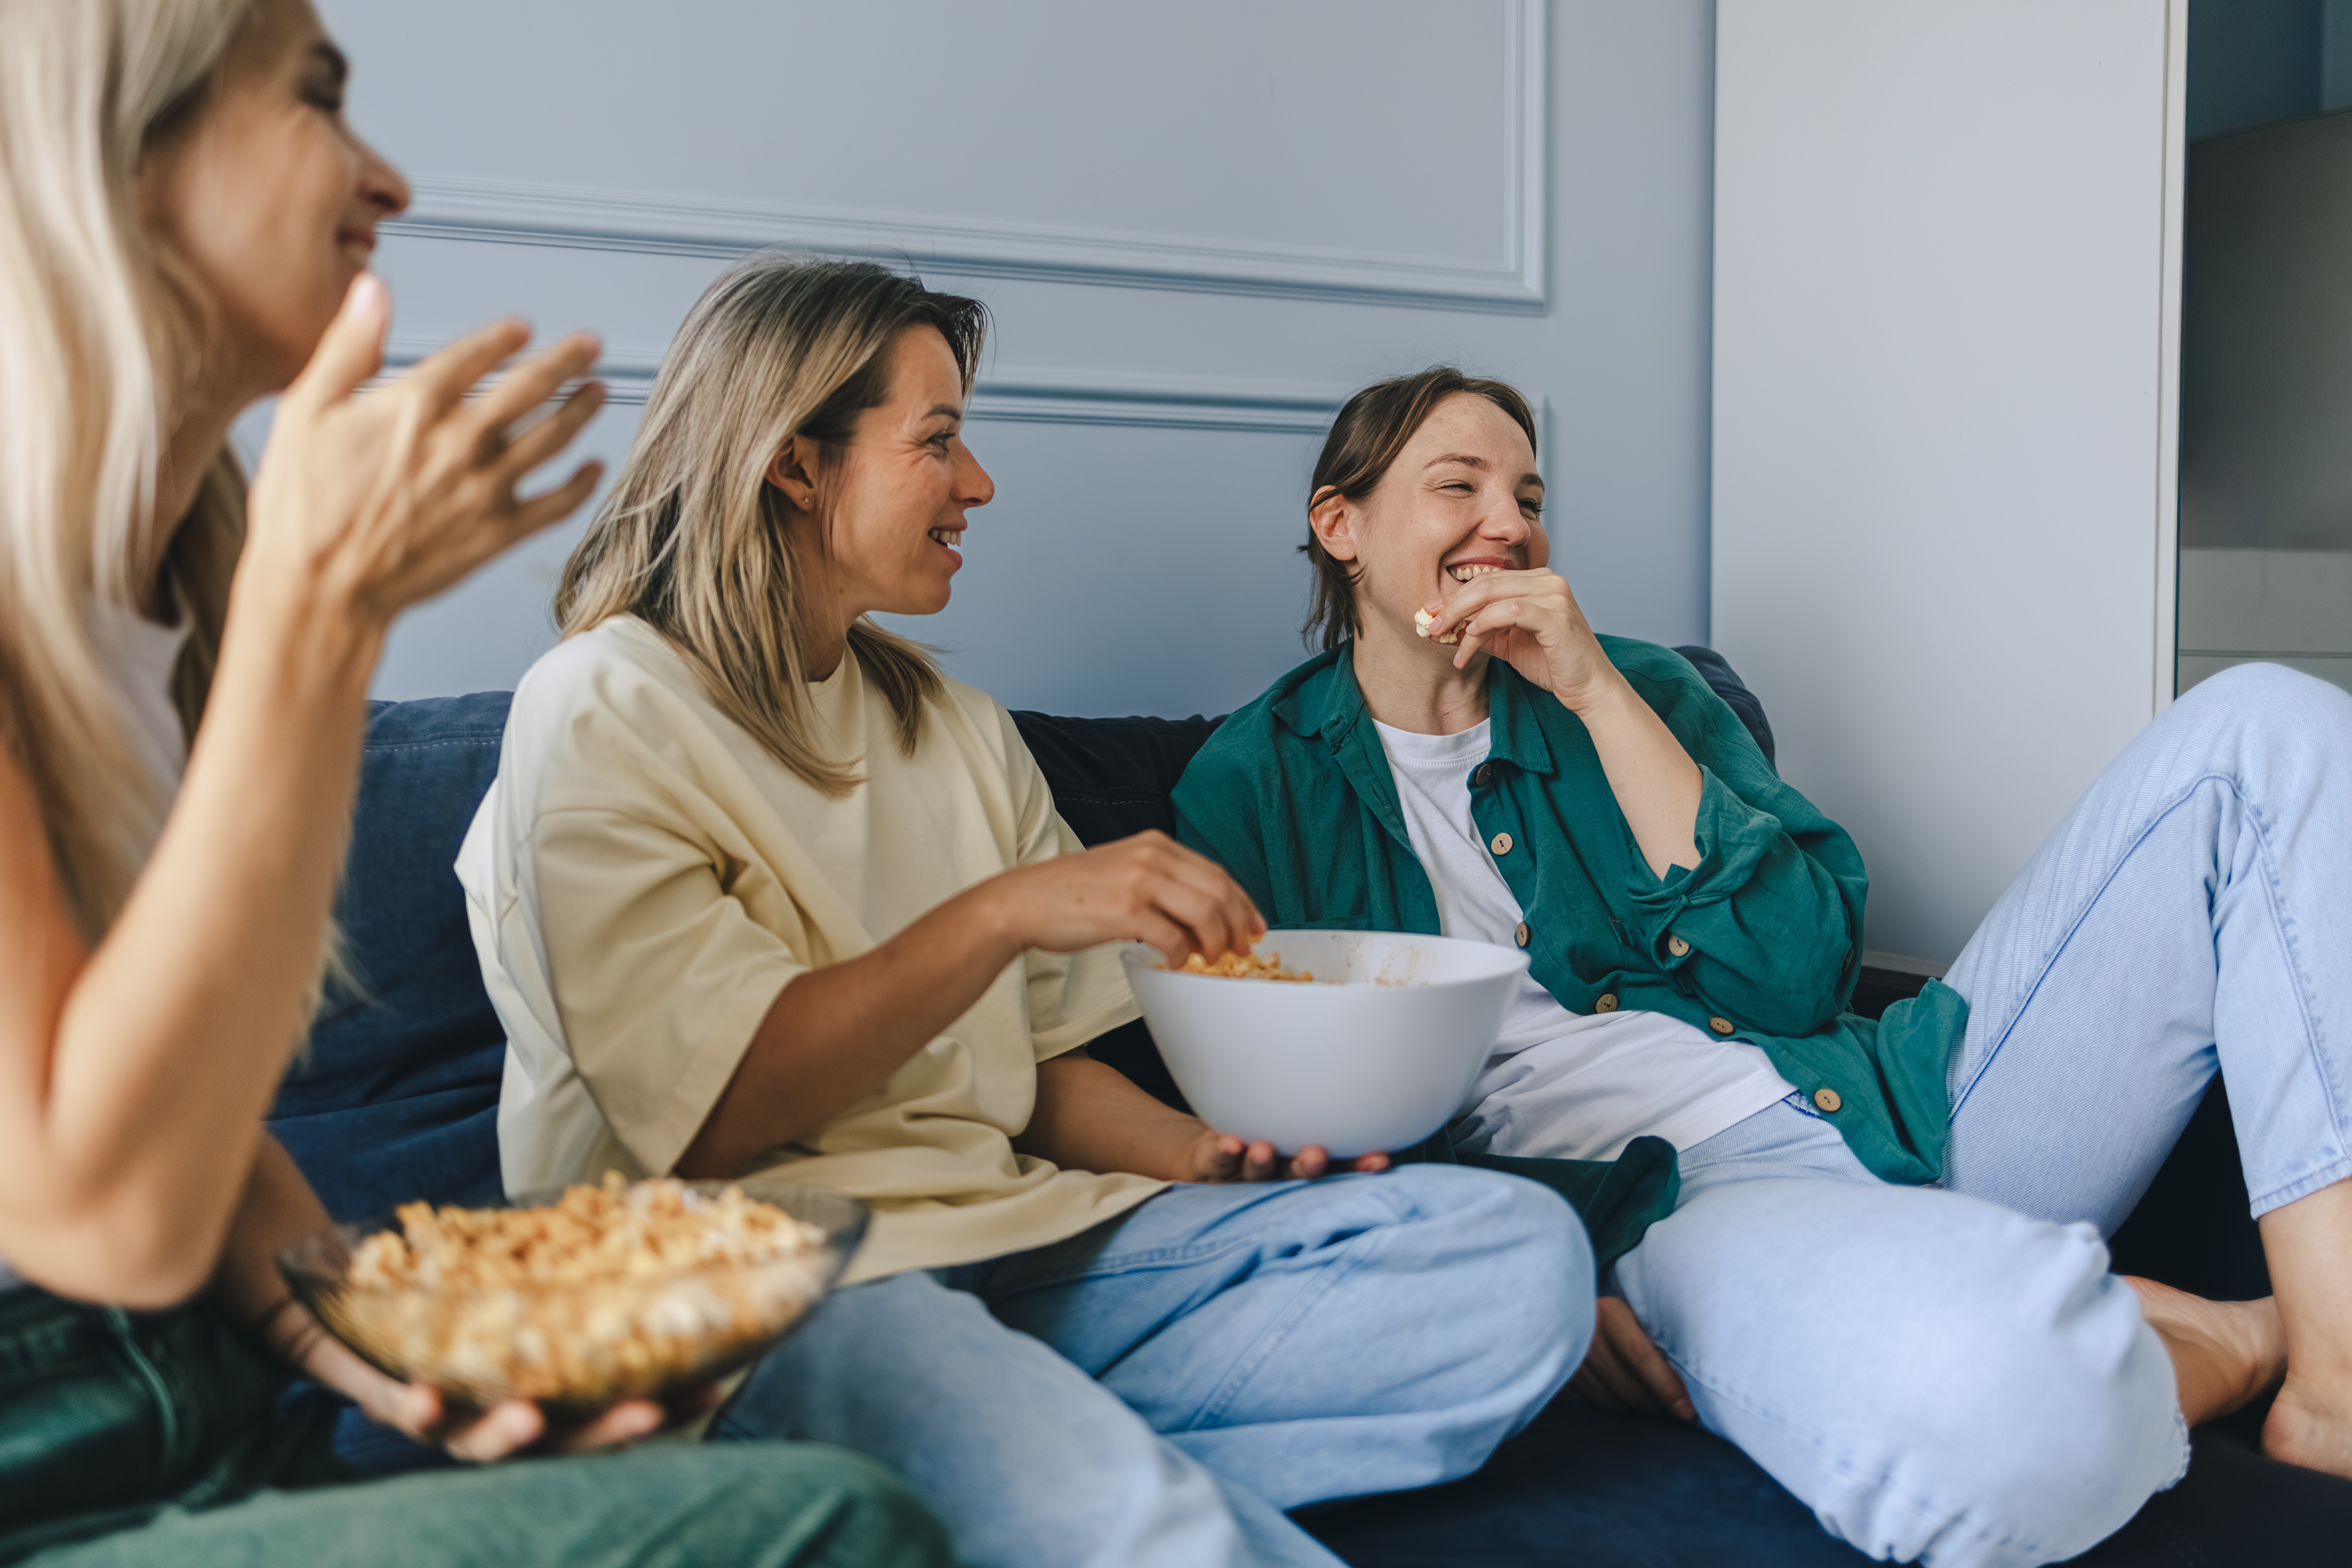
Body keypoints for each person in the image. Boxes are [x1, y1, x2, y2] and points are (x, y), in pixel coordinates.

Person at [456, 253, 1594, 1568]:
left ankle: (973, 1473)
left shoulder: (949, 728)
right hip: (758, 1280)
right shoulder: (605, 704)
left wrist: (1204, 1164)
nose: (977, 483)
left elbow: (1044, 1069)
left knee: (1513, 1259)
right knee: (1144, 1531)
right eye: (936, 441)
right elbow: (713, 1113)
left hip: (1019, 1246)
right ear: (793, 463)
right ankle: (1035, 1480)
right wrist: (1003, 911)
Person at [0, 2, 950, 1564]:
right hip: (46, 1449)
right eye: (317, 100)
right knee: (840, 1525)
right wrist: (322, 618)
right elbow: (103, 1208)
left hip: (200, 1401)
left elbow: (165, 1098)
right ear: (120, 149)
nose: (387, 180)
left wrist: (361, 1337)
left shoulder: (168, 584)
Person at [1169, 364, 2352, 1568]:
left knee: (2266, 726)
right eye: (1458, 486)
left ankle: (2335, 1379)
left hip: (1913, 1103)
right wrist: (1524, 1297)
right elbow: (1278, 1110)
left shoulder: (1644, 690)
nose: (1509, 522)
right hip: (1690, 1207)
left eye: (1528, 494)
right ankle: (2233, 1334)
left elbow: (1799, 976)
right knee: (2005, 1426)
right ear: (1342, 527)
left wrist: (1593, 687)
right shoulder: (1252, 783)